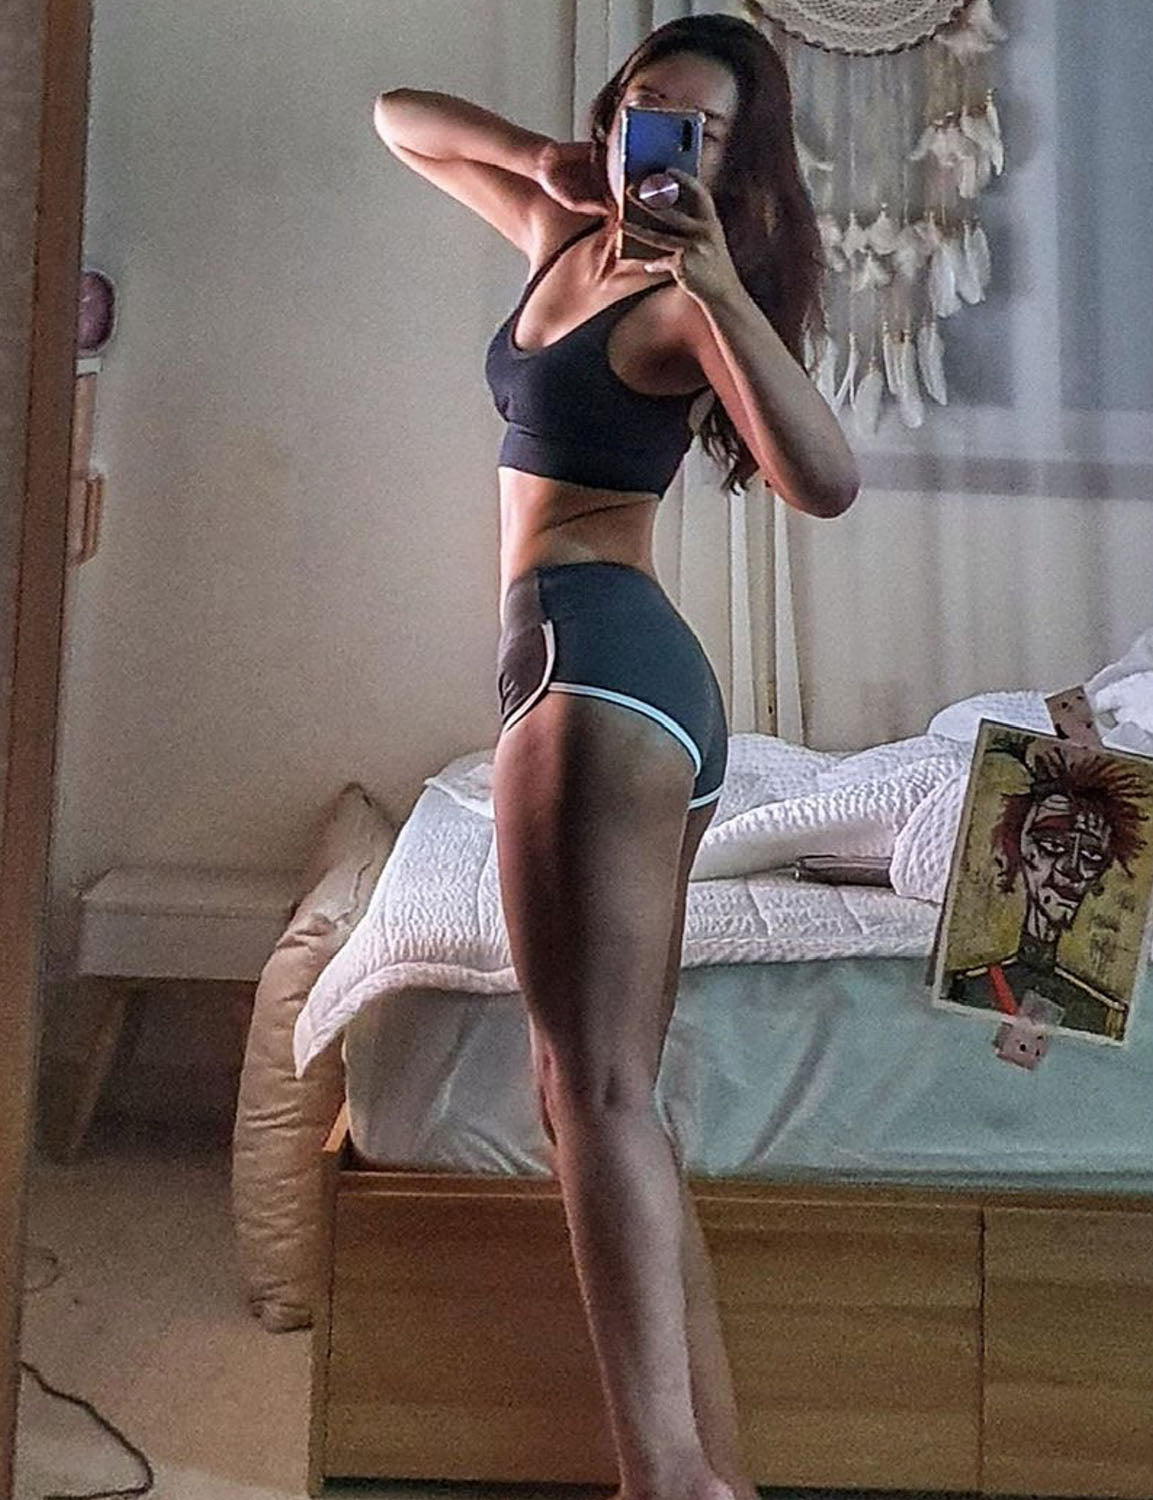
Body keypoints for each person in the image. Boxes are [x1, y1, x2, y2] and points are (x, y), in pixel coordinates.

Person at [374, 15, 859, 1500]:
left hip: (596, 674)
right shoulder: (562, 235)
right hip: (615, 676)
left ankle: (665, 1482)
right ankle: (712, 1475)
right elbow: (398, 116)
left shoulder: (673, 300)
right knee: (607, 1099)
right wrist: (547, 160)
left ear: (734, 166)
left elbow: (825, 480)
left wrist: (717, 282)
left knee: (584, 1096)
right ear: (612, 111)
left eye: (697, 132)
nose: (662, 141)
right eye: (647, 107)